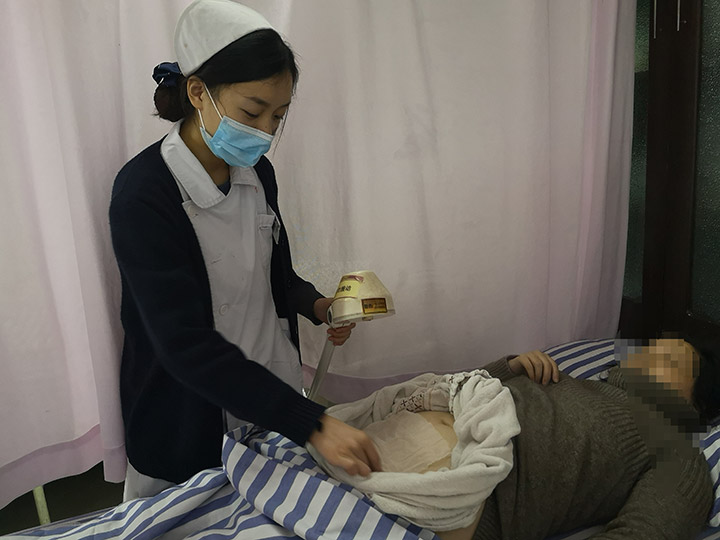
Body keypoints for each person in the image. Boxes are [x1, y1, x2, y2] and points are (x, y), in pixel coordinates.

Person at [109, 0, 379, 501]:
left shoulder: (257, 173)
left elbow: (275, 273)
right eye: (252, 112)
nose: (265, 132)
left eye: (278, 116)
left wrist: (318, 305)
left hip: (269, 396)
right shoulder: (143, 194)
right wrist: (313, 422)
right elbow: (181, 343)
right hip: (186, 416)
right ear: (198, 92)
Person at [314, 338, 718, 540]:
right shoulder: (578, 383)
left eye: (667, 360)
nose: (644, 355)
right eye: (649, 348)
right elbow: (467, 387)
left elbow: (644, 532)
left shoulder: (678, 453)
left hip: (451, 498)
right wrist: (511, 368)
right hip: (376, 440)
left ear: (695, 403)